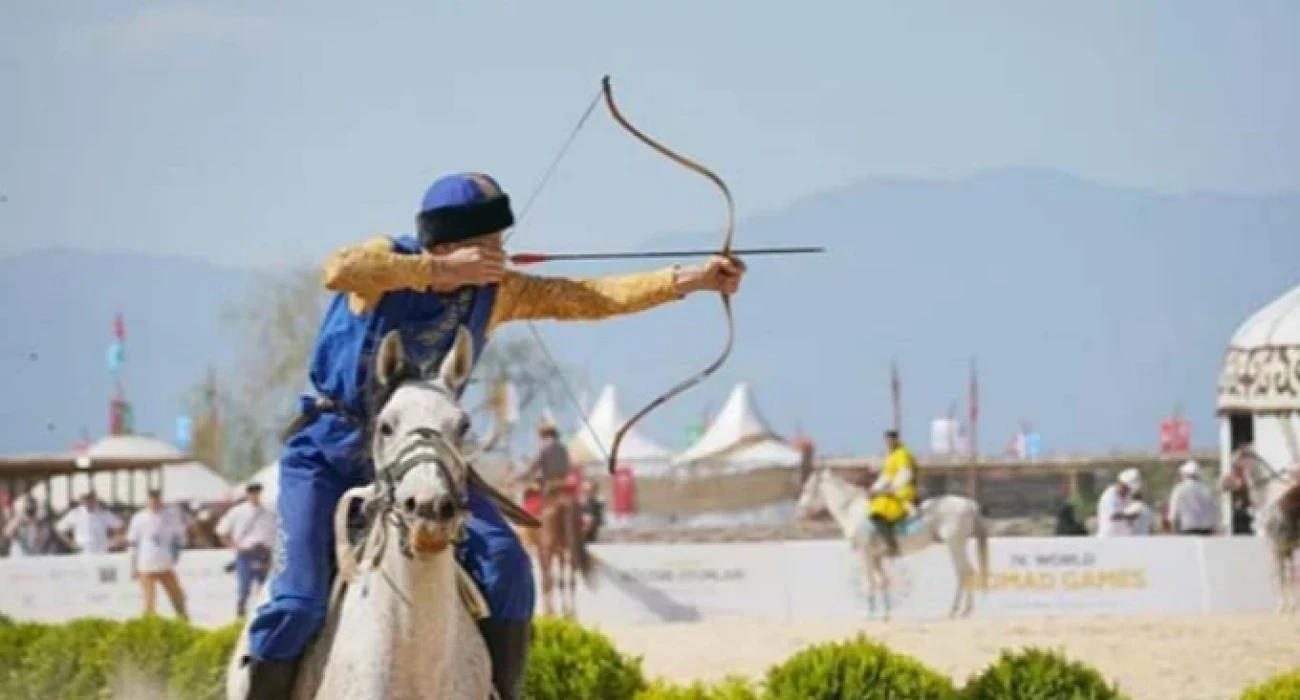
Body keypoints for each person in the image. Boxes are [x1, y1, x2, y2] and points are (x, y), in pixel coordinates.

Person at [238, 172, 746, 700]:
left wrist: (691, 279)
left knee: (507, 564)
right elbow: (337, 269)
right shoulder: (382, 269)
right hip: (329, 453)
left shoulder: (496, 293)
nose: (501, 254)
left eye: (501, 243)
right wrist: (435, 271)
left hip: (428, 458)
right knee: (297, 603)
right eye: (489, 245)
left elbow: (591, 297)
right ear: (449, 245)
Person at [216, 483, 278, 618]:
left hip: (263, 553)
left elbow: (277, 530)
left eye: (256, 492)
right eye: (252, 492)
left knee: (265, 587)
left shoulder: (270, 510)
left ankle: (263, 615)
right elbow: (221, 531)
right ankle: (241, 614)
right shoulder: (238, 511)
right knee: (244, 587)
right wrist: (233, 547)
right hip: (246, 552)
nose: (254, 495)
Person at [126, 488, 189, 619]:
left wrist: (176, 551)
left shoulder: (170, 516)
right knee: (149, 598)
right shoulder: (139, 518)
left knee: (177, 594)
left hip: (165, 563)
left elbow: (180, 536)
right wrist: (133, 566)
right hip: (146, 564)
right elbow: (132, 542)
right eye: (152, 500)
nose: (154, 502)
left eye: (157, 499)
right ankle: (149, 622)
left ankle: (183, 619)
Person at [868, 430, 917, 556]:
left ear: (896, 440)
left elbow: (905, 473)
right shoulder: (891, 456)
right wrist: (874, 488)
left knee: (877, 513)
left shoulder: (902, 453)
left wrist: (892, 488)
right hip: (891, 490)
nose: (888, 443)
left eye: (890, 440)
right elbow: (886, 476)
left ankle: (892, 546)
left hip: (903, 490)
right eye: (886, 441)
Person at [55, 491, 122, 554]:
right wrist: (71, 544)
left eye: (91, 499)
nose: (88, 502)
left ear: (95, 499)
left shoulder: (104, 513)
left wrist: (113, 542)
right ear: (82, 500)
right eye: (86, 499)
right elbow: (60, 529)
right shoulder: (75, 513)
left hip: (101, 549)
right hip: (81, 550)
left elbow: (119, 527)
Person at [1168, 460, 1219, 535]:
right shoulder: (1206, 489)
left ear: (1184, 474)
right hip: (1205, 531)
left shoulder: (1179, 489)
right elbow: (1214, 511)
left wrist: (1174, 532)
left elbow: (1173, 514)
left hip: (1186, 531)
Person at [1095, 469, 1142, 537]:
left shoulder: (1127, 496)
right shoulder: (1109, 496)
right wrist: (1130, 515)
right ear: (1121, 484)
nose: (1128, 491)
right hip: (1109, 536)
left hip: (1124, 536)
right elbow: (1113, 515)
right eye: (1126, 488)